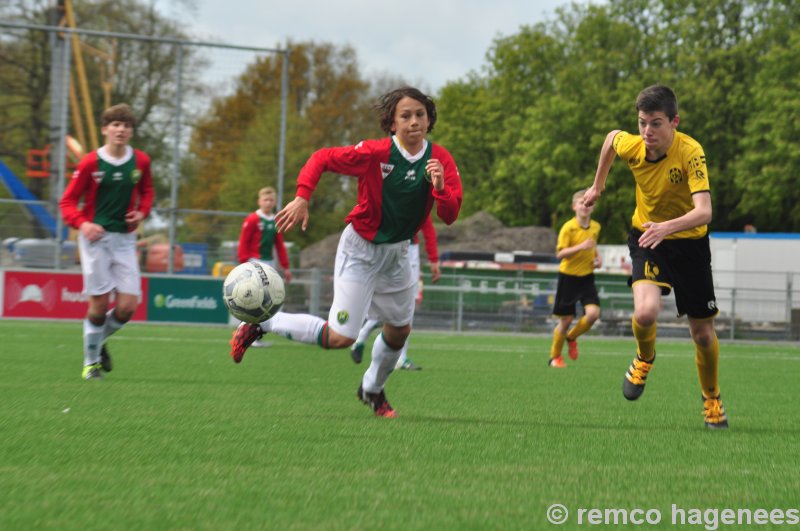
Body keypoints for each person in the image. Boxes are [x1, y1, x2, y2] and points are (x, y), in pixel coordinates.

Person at [228, 86, 462, 418]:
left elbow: (450, 216)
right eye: (405, 116)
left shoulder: (441, 159)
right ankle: (264, 323)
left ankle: (372, 389)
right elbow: (321, 157)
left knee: (399, 331)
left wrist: (439, 189)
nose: (414, 122)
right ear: (391, 124)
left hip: (398, 256)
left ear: (429, 119)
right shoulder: (375, 153)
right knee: (340, 337)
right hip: (361, 251)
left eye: (420, 115)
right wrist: (302, 196)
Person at [583, 84, 728, 429]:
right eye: (642, 122)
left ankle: (711, 398)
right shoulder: (634, 145)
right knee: (645, 313)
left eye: (656, 123)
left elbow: (704, 212)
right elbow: (610, 139)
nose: (647, 132)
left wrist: (668, 226)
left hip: (690, 243)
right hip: (648, 236)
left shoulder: (691, 152)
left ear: (674, 122)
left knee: (703, 336)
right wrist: (597, 186)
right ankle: (644, 358)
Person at [59, 103, 154, 380]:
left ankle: (97, 343)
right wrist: (83, 224)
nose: (120, 129)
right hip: (96, 241)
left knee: (127, 306)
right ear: (105, 129)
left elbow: (147, 191)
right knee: (99, 306)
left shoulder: (141, 161)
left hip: (125, 240)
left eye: (126, 125)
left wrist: (142, 212)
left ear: (131, 131)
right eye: (115, 124)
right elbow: (67, 202)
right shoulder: (90, 162)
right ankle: (90, 364)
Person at [350, 214, 441, 370]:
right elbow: (427, 226)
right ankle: (400, 358)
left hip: (383, 246)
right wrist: (433, 259)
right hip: (406, 249)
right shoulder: (417, 193)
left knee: (388, 304)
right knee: (405, 306)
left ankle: (361, 337)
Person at [548, 189, 602, 368]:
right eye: (582, 202)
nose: (585, 206)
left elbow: (592, 247)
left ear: (593, 207)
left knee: (593, 314)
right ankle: (555, 357)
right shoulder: (568, 228)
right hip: (568, 278)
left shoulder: (596, 227)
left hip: (587, 277)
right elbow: (560, 254)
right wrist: (581, 247)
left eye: (589, 203)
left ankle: (572, 337)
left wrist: (597, 258)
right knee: (566, 320)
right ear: (574, 206)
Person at [237, 186, 292, 347]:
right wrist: (244, 262)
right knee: (253, 298)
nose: (268, 203)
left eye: (271, 200)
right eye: (265, 200)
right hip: (254, 261)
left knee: (268, 299)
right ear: (259, 201)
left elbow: (280, 246)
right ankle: (245, 334)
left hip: (269, 264)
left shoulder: (275, 221)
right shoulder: (252, 219)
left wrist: (286, 266)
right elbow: (243, 242)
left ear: (274, 202)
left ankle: (256, 335)